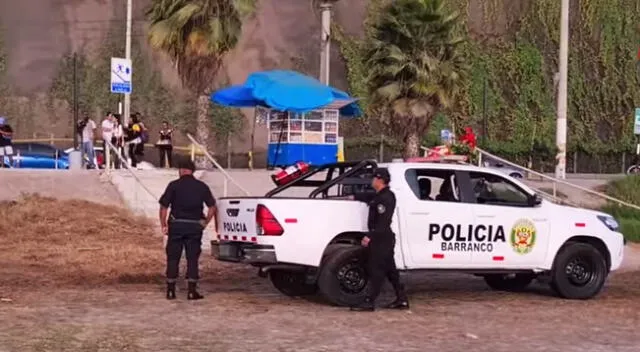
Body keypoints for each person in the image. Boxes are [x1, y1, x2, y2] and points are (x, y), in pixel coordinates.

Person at [350, 168, 409, 312]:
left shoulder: (386, 197)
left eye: (374, 178)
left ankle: (369, 301)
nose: (372, 181)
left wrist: (370, 236)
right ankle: (401, 299)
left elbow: (383, 221)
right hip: (383, 238)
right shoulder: (379, 196)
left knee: (376, 270)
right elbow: (365, 198)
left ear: (380, 180)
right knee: (391, 272)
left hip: (382, 238)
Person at [158, 159, 217, 300]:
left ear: (181, 170)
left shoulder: (173, 185)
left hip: (176, 226)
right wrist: (205, 222)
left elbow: (163, 207)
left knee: (173, 257)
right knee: (192, 258)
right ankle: (191, 291)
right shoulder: (202, 186)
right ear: (192, 171)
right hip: (194, 227)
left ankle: (171, 291)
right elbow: (212, 207)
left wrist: (163, 225)